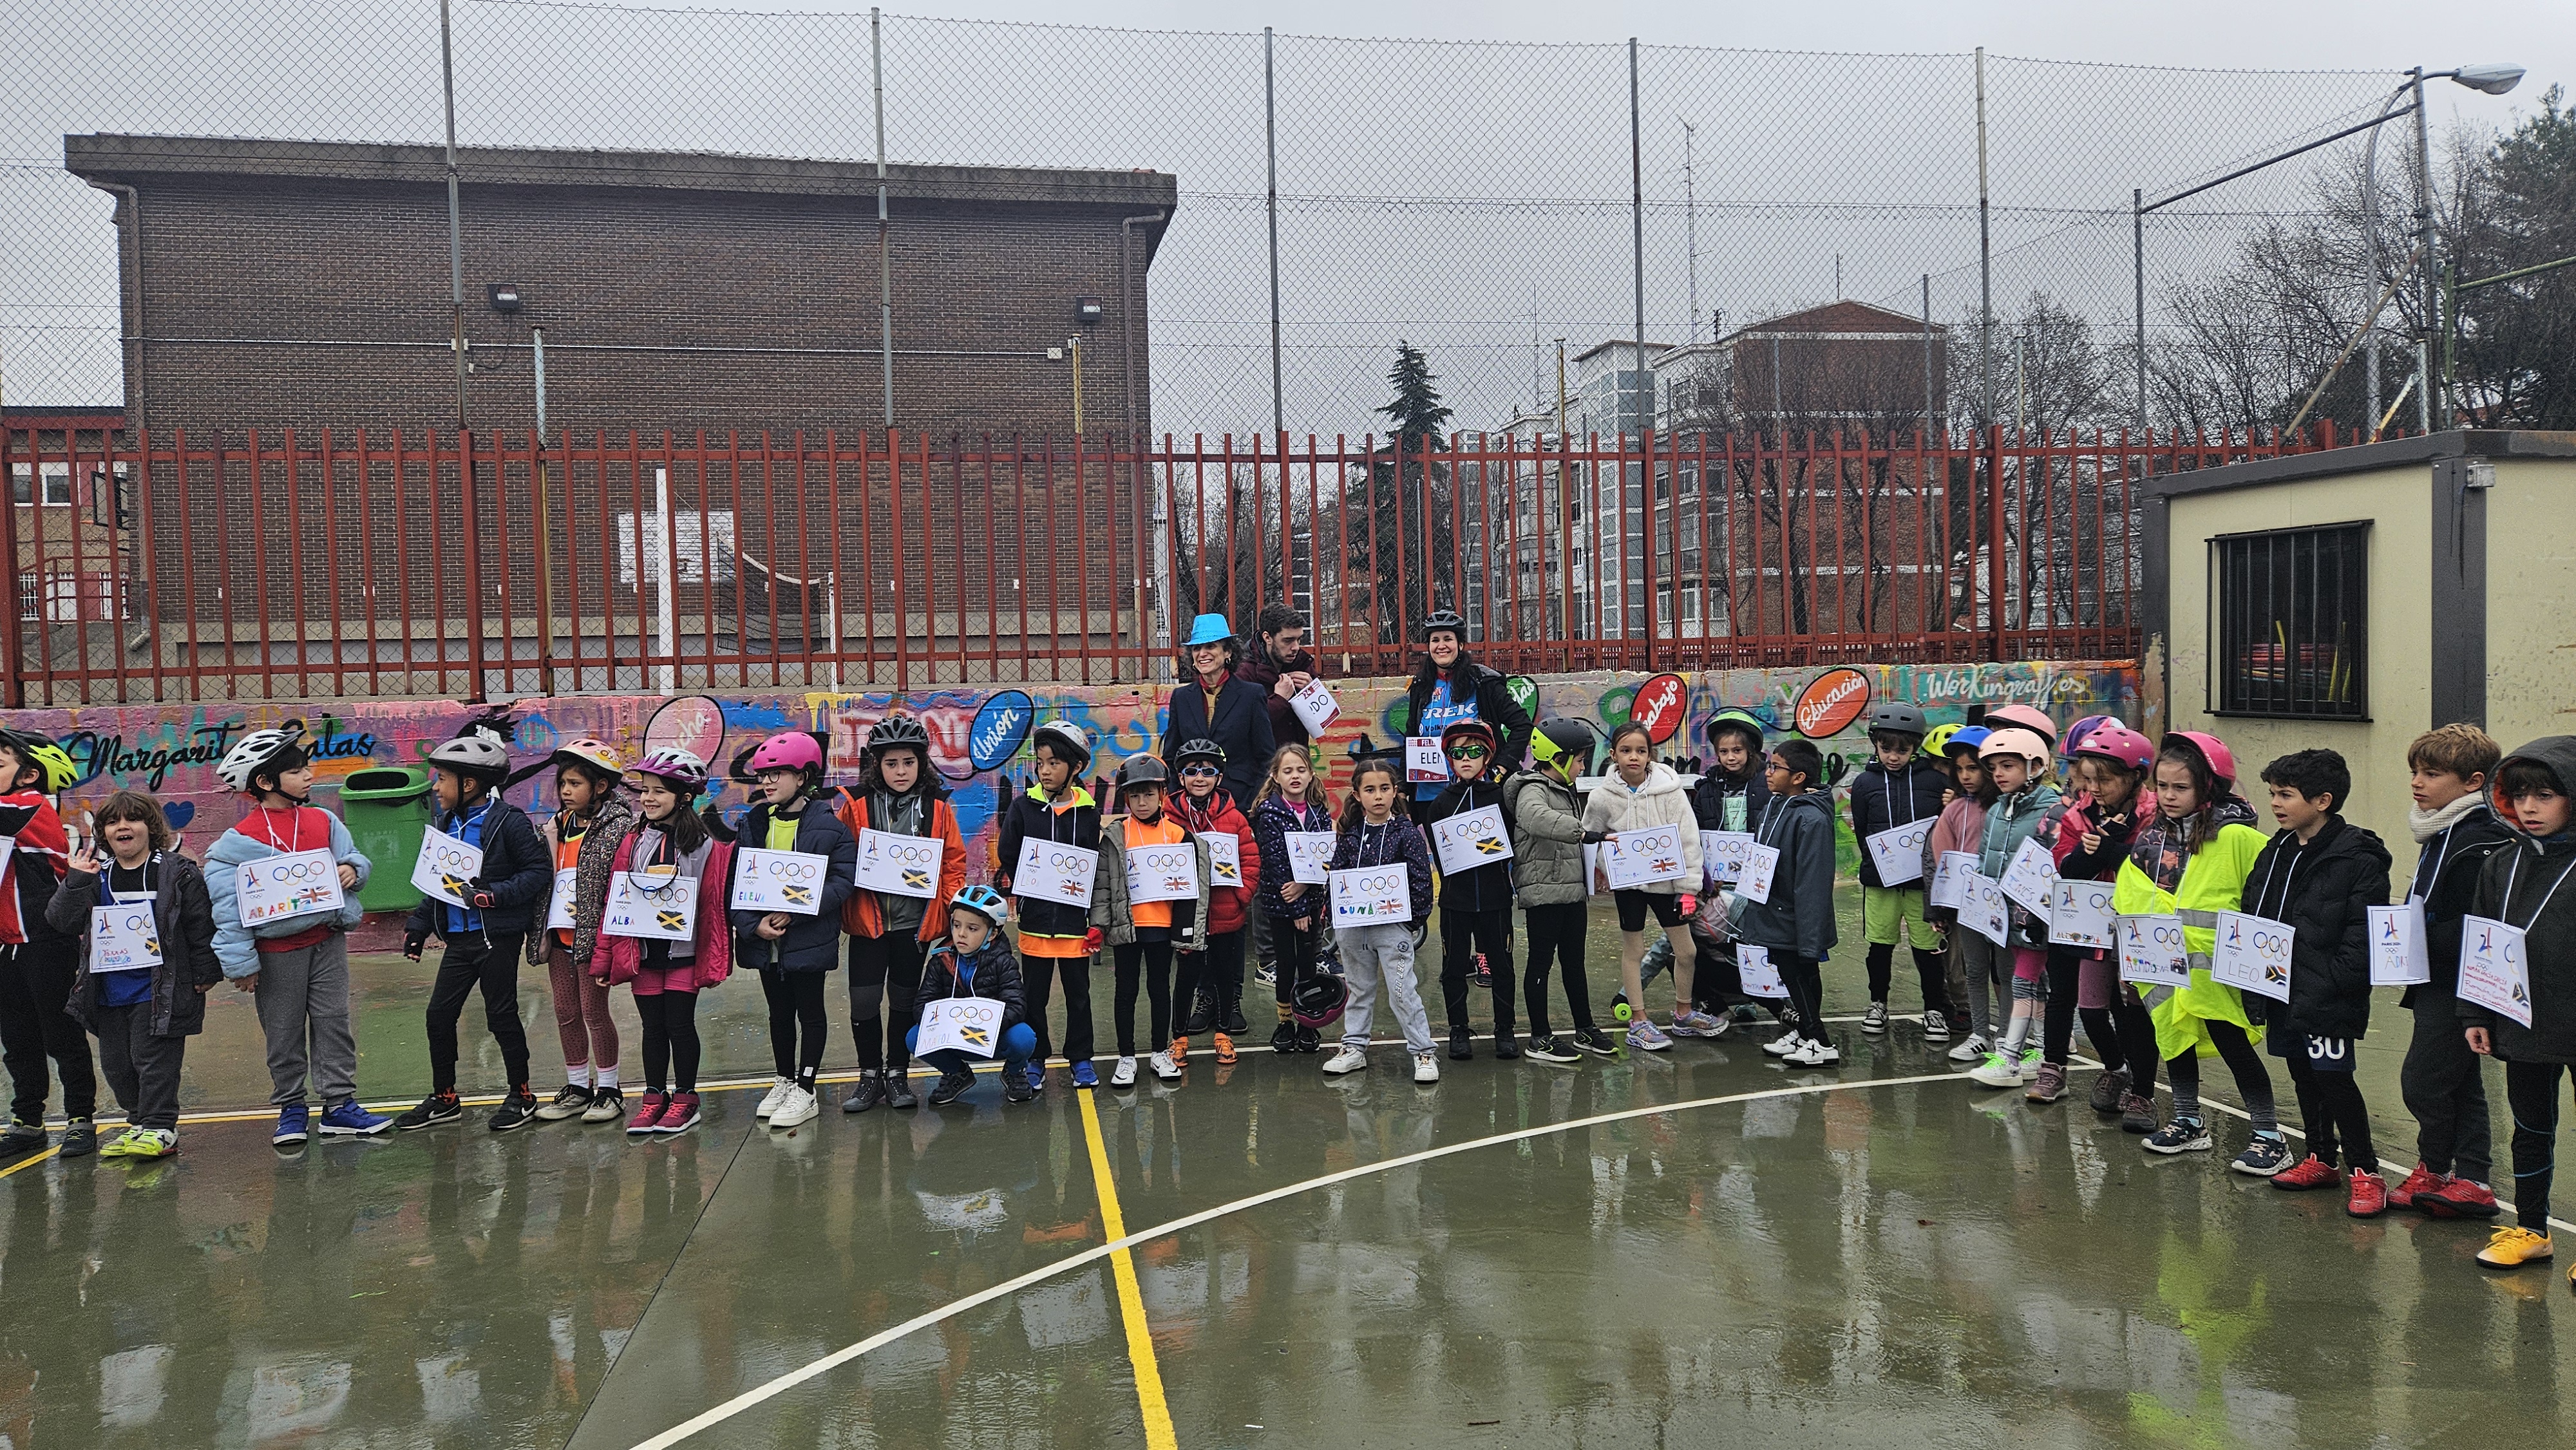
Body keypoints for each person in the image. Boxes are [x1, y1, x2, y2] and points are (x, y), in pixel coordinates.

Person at [200, 725, 388, 1148]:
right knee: (283, 1034)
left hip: (327, 943)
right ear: (265, 782)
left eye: (306, 768)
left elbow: (353, 855)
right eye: (297, 770)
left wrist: (353, 869)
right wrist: (242, 965)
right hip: (276, 954)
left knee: (334, 1023)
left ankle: (340, 1105)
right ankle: (291, 1107)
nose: (308, 776)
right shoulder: (237, 844)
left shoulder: (324, 820)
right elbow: (228, 910)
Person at [2113, 731, 2290, 1175]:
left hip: (2218, 968)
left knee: (2233, 1044)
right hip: (2164, 964)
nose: (2169, 796)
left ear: (2208, 787)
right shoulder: (2152, 838)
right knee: (2174, 1040)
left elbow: (2268, 895)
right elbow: (2129, 897)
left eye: (2181, 787)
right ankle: (2189, 1121)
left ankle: (2269, 1134)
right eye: (2162, 786)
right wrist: (2130, 957)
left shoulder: (2236, 837)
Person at [2243, 749, 2393, 1214]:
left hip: (2329, 993)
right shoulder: (2277, 849)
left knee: (2335, 1080)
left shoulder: (2358, 857)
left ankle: (2366, 1171)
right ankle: (2320, 1158)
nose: (2275, 803)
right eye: (2273, 793)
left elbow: (2363, 932)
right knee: (2303, 1076)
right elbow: (2255, 906)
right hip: (2281, 987)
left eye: (2286, 795)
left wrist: (2335, 980)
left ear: (2323, 800)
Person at [45, 792, 218, 1160]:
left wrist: (205, 971)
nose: (122, 827)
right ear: (104, 833)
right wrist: (75, 881)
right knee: (117, 1065)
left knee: (153, 1061)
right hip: (108, 991)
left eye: (133, 819)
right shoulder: (96, 876)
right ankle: (139, 1122)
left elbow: (200, 925)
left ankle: (161, 1127)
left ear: (150, 827)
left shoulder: (177, 872)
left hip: (158, 990)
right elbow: (61, 921)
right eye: (112, 822)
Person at [396, 733, 552, 1133]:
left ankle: (522, 1095)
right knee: (438, 1016)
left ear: (469, 784)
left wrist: (493, 895)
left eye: (442, 779)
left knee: (501, 1015)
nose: (435, 787)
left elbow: (537, 872)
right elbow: (437, 882)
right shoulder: (445, 823)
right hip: (459, 940)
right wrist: (419, 926)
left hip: (495, 938)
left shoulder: (508, 822)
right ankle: (445, 1098)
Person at [2463, 736, 2576, 1276]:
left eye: (2545, 796)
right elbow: (2481, 944)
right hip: (2523, 1019)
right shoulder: (2500, 864)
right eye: (2521, 796)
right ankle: (2532, 1230)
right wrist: (2476, 1014)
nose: (2530, 807)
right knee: (2530, 1130)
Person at [2392, 724, 2512, 1217]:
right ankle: (2465, 1178)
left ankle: (2442, 1168)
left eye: (2432, 774)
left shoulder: (2481, 836)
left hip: (2458, 981)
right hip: (2434, 976)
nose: (2417, 783)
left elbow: (2478, 922)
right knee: (2460, 1082)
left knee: (2423, 1081)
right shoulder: (2443, 830)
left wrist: (2419, 935)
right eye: (2415, 772)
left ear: (2473, 782)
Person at [591, 749, 734, 1137]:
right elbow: (615, 901)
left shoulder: (703, 846)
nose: (648, 798)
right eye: (645, 791)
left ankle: (686, 1099)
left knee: (680, 1026)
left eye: (659, 791)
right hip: (644, 955)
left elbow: (712, 906)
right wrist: (604, 959)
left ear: (684, 797)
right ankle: (654, 1097)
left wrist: (713, 957)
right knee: (652, 1027)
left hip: (683, 954)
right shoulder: (634, 841)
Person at [835, 714, 966, 1113]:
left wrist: (947, 912)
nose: (901, 771)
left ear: (921, 763)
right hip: (868, 925)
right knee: (864, 1003)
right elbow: (841, 857)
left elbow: (953, 863)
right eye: (891, 764)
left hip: (913, 926)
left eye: (908, 762)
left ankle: (897, 1074)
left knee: (903, 1003)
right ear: (878, 765)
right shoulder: (855, 806)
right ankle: (869, 1075)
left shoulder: (938, 807)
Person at [730, 731, 858, 1131]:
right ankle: (784, 1079)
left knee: (811, 1011)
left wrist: (796, 914)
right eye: (763, 775)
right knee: (779, 1013)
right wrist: (753, 926)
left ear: (803, 778)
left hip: (806, 940)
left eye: (778, 774)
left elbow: (842, 881)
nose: (767, 782)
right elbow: (735, 881)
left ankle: (806, 1087)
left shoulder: (829, 826)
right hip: (765, 942)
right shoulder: (753, 823)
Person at [2048, 723, 2162, 1127]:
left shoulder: (2155, 814)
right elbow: (2066, 868)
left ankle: (2143, 1094)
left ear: (2134, 778)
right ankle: (2117, 1068)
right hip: (2093, 929)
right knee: (2092, 1011)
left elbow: (2157, 868)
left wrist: (2114, 849)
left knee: (2136, 1013)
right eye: (2088, 779)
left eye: (2105, 781)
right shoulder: (2079, 814)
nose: (2093, 789)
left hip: (2140, 928)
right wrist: (2090, 852)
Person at [1582, 723, 1710, 1052]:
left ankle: (1683, 1013)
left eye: (1641, 751)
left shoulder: (1671, 791)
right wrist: (1611, 867)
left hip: (1668, 884)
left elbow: (1689, 840)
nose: (1634, 757)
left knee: (1687, 951)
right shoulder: (1601, 797)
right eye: (1626, 751)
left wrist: (1689, 888)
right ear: (1613, 755)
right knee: (1634, 951)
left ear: (1650, 754)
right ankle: (1638, 1021)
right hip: (1630, 888)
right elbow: (1590, 838)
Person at [993, 720, 1103, 1092]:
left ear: (1076, 767)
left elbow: (1093, 865)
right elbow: (1009, 852)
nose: (1045, 770)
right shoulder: (1024, 808)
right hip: (1036, 922)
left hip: (1074, 925)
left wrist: (1093, 916)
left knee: (1079, 996)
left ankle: (1081, 1058)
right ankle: (1036, 1057)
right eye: (1040, 763)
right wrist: (1031, 884)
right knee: (1034, 997)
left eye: (1054, 763)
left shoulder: (1089, 812)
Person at [1090, 754, 1211, 1086]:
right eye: (1134, 796)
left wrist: (1189, 936)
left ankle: (1160, 1052)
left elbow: (1194, 892)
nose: (1142, 802)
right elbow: (1102, 885)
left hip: (1162, 928)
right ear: (1126, 798)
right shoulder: (1116, 836)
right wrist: (1098, 926)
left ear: (1162, 794)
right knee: (1125, 991)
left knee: (1160, 990)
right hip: (1127, 927)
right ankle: (1126, 1057)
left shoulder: (1179, 835)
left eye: (1148, 794)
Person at [530, 739, 632, 1125]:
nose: (565, 791)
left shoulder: (619, 828)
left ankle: (609, 1089)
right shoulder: (557, 826)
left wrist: (613, 941)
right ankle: (577, 1087)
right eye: (563, 784)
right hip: (560, 936)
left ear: (600, 787)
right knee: (565, 1011)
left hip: (593, 939)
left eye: (575, 784)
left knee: (593, 1011)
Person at [0, 730, 93, 1156]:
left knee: (62, 1034)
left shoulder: (29, 805)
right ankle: (28, 1120)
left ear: (29, 775)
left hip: (47, 943)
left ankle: (80, 1117)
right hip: (8, 946)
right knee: (17, 1038)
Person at [1323, 755, 1439, 1082]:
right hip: (1353, 930)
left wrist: (1410, 922)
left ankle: (1424, 1052)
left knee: (1402, 991)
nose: (1378, 796)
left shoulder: (1406, 833)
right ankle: (1354, 1048)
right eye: (1370, 790)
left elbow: (1421, 880)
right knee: (1359, 989)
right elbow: (1337, 877)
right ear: (1357, 795)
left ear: (1395, 791)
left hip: (1392, 929)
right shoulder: (1350, 835)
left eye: (1385, 789)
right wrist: (1336, 915)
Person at [1965, 728, 2064, 1089]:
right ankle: (2041, 1049)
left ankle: (2011, 1058)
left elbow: (2055, 861)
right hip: (2006, 915)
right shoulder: (1996, 809)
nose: (1998, 774)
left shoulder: (2054, 809)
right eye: (1993, 767)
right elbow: (1985, 859)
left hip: (2038, 914)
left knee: (2026, 980)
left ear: (2035, 766)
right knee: (2035, 982)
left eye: (2008, 765)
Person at [1847, 701, 1951, 1037]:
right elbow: (1863, 831)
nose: (1894, 756)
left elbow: (1946, 828)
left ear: (1915, 747)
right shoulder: (1864, 783)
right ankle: (1878, 1003)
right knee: (1880, 946)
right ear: (1875, 744)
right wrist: (1880, 864)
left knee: (1928, 949)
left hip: (1923, 884)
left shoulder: (1935, 782)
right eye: (1886, 748)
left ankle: (1934, 1009)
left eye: (1903, 750)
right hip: (1881, 883)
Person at [1510, 717, 1609, 1062]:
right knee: (1540, 964)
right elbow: (1536, 818)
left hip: (1571, 892)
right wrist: (1582, 832)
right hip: (1544, 892)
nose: (1582, 767)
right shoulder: (1531, 789)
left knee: (1574, 963)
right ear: (1558, 758)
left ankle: (1585, 1028)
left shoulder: (1565, 789)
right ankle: (1540, 1037)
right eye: (1579, 760)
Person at [1738, 739, 1841, 1066]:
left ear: (1798, 777)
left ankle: (1820, 1042)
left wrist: (1810, 936)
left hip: (1794, 915)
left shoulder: (1811, 820)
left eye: (1775, 767)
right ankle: (1805, 1033)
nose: (1767, 772)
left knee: (1799, 972)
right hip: (1774, 909)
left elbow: (1812, 882)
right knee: (1796, 973)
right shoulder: (1776, 806)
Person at [1423, 720, 1520, 1060]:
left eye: (1474, 751)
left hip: (1495, 899)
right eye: (1458, 752)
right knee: (1453, 968)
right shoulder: (1440, 805)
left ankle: (1505, 1029)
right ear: (1449, 758)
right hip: (1455, 902)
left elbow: (1512, 843)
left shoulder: (1502, 799)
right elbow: (1441, 855)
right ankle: (1458, 1030)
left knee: (1501, 966)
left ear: (1487, 756)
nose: (1466, 759)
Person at [1170, 738, 1260, 1064]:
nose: (1200, 778)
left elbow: (1250, 860)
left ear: (1219, 778)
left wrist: (1241, 898)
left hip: (1225, 913)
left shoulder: (1234, 818)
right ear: (1181, 777)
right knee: (1186, 977)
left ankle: (1223, 1035)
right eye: (1192, 771)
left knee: (1225, 975)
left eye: (1208, 771)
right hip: (1186, 915)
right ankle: (1179, 1039)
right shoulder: (1169, 818)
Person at [911, 886, 1038, 1107]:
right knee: (914, 1037)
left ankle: (1015, 1071)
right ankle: (957, 1073)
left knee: (1023, 1037)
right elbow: (922, 1005)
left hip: (991, 1038)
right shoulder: (940, 961)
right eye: (956, 925)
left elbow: (1016, 1005)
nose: (961, 934)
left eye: (972, 928)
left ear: (993, 933)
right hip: (954, 1038)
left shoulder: (1004, 962)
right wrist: (947, 1024)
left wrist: (987, 1026)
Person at [1402, 610, 1532, 814]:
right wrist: (1403, 788)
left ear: (1461, 645)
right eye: (1435, 640)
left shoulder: (1482, 683)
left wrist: (1501, 767)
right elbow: (1411, 736)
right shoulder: (1420, 686)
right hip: (1428, 795)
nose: (1441, 646)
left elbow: (1522, 725)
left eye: (1448, 639)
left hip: (1477, 792)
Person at [1252, 745, 1336, 1053]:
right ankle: (1285, 1022)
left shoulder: (1319, 811)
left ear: (1311, 774)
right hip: (1281, 903)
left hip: (1310, 900)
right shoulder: (1269, 813)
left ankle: (1307, 1022)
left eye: (1301, 770)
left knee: (1309, 962)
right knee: (1286, 963)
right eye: (1287, 771)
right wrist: (1296, 906)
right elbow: (1276, 862)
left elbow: (1324, 857)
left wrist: (1306, 888)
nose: (1295, 776)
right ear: (1276, 776)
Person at [1920, 724, 1991, 1049]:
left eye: (1973, 768)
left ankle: (2017, 1035)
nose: (1965, 776)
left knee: (2007, 974)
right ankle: (1979, 1030)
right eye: (1959, 769)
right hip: (1963, 906)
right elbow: (1937, 860)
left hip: (2001, 904)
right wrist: (1939, 908)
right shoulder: (1953, 811)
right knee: (1969, 970)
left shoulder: (2003, 808)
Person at [1162, 613, 1276, 809]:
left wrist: (1252, 802)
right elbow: (1171, 757)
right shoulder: (1181, 698)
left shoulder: (1251, 695)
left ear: (1228, 652)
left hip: (1239, 802)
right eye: (1197, 648)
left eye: (1210, 646)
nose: (1202, 654)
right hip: (1191, 806)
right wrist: (1178, 801)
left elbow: (1266, 758)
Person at [1238, 603, 1323, 752]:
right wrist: (1279, 700)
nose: (1296, 647)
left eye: (1299, 639)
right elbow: (1243, 724)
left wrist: (1312, 692)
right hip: (1262, 763)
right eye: (1288, 640)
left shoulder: (1302, 664)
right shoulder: (1245, 672)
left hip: (1298, 759)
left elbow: (1322, 721)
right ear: (1267, 638)